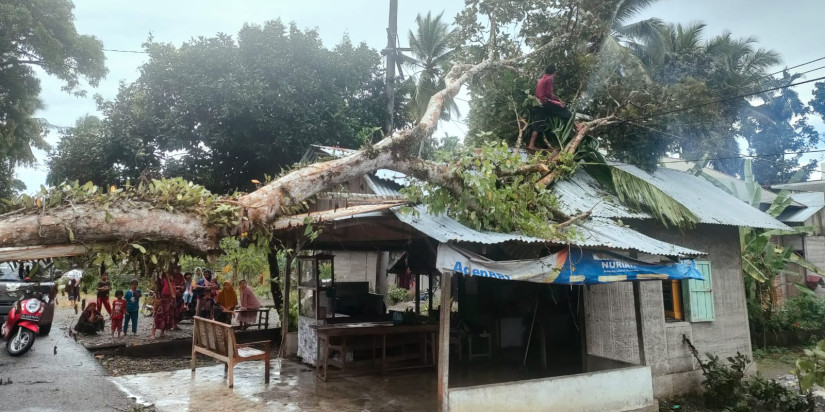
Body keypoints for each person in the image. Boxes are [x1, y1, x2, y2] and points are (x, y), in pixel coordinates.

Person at [528, 64, 575, 153]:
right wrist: (558, 102)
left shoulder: (541, 78)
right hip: (545, 103)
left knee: (538, 123)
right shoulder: (550, 78)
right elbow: (549, 94)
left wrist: (555, 98)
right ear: (553, 72)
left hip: (538, 103)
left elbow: (545, 93)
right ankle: (576, 127)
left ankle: (531, 145)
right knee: (565, 110)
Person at [150, 271, 176, 340]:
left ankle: (162, 332)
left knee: (166, 318)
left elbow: (173, 293)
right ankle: (153, 334)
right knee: (158, 317)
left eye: (172, 276)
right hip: (161, 302)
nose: (171, 277)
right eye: (170, 276)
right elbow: (157, 289)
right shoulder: (162, 281)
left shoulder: (172, 283)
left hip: (169, 303)